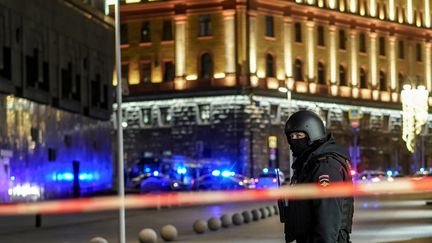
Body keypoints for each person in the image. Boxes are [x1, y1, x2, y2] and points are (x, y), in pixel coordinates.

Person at [278, 110, 354, 243]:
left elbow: (328, 219)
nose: (294, 140)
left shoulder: (325, 166)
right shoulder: (309, 163)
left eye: (299, 135)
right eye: (291, 137)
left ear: (313, 133)